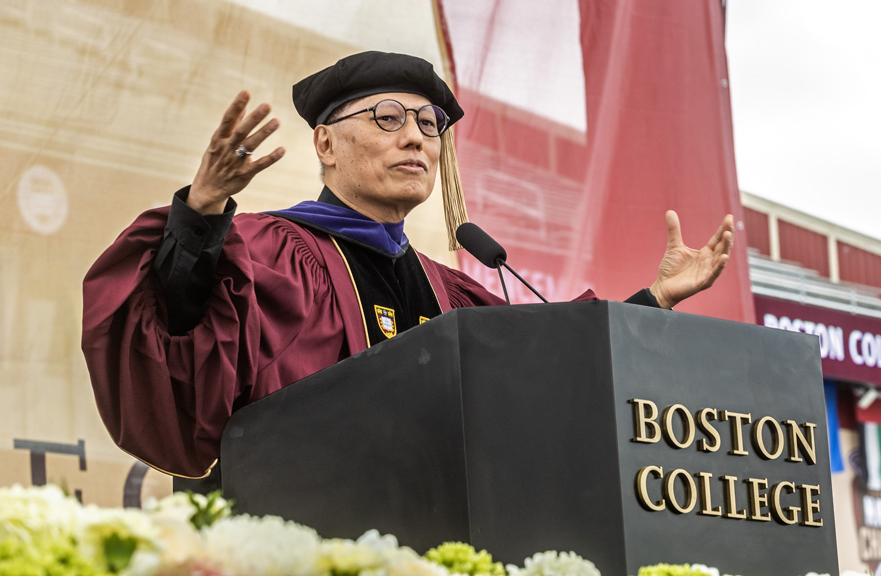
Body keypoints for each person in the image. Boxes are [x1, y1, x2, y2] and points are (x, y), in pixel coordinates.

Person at [81, 51, 734, 487]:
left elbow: (547, 367)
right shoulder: (264, 250)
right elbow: (175, 330)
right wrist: (200, 212)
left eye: (428, 124)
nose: (416, 138)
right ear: (326, 143)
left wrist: (654, 300)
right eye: (388, 119)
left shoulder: (449, 292)